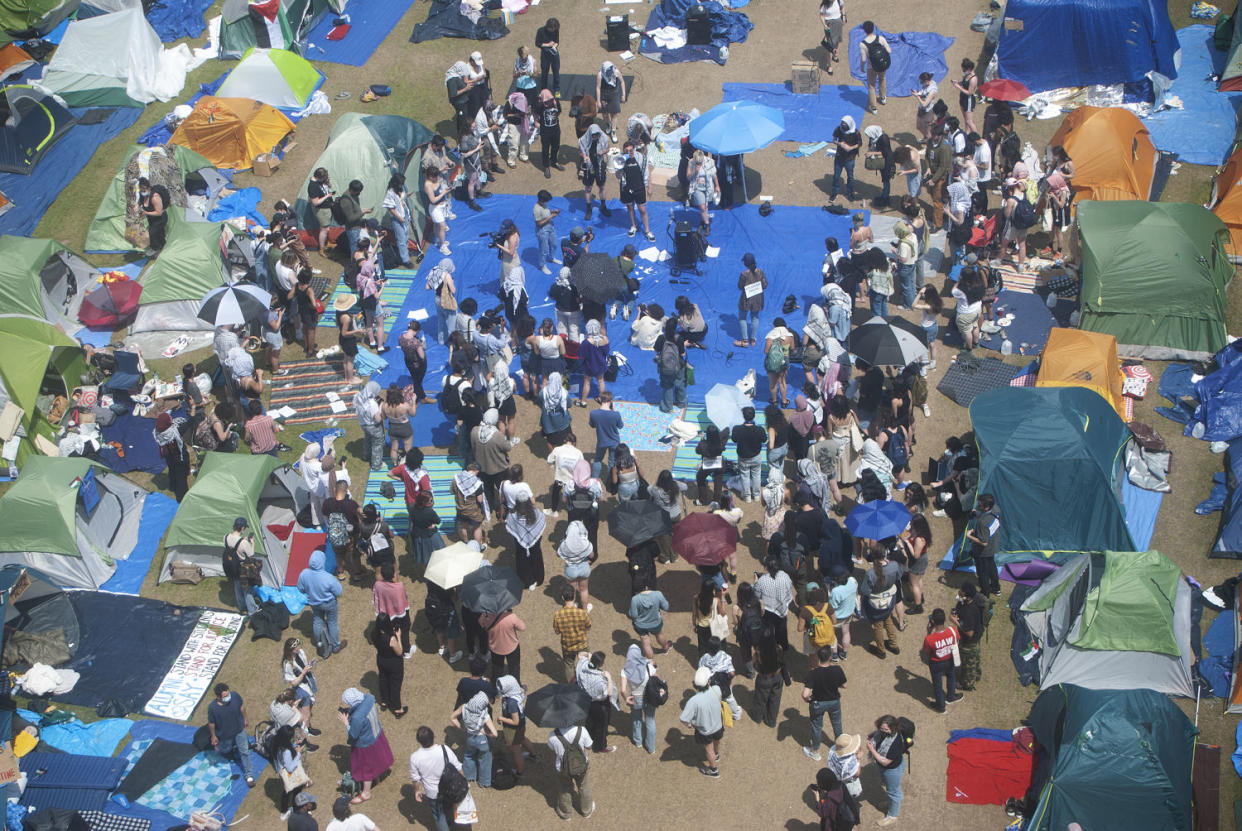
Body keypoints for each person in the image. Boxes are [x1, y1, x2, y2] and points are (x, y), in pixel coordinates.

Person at [340, 688, 393, 804]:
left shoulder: (357, 717)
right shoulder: (369, 698)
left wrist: (346, 723)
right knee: (378, 756)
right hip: (376, 732)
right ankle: (378, 775)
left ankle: (366, 793)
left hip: (365, 743)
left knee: (365, 768)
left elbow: (353, 734)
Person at [409, 726, 463, 831]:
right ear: (433, 736)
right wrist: (464, 783)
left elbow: (415, 779)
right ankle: (452, 824)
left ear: (419, 741)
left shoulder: (415, 757)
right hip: (450, 788)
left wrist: (417, 791)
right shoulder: (444, 749)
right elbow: (458, 768)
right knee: (451, 808)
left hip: (433, 793)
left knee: (439, 816)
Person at [297, 550, 346, 658]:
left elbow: (300, 589)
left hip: (314, 602)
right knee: (332, 623)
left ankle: (321, 644)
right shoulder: (328, 577)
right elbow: (338, 591)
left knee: (317, 621)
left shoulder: (304, 574)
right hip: (329, 603)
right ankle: (335, 646)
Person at [802, 645, 847, 761]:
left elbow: (805, 694)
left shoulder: (812, 674)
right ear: (830, 657)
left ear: (818, 657)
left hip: (818, 703)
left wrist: (807, 700)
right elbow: (844, 685)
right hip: (834, 702)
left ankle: (815, 751)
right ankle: (840, 748)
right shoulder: (837, 669)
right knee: (837, 724)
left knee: (817, 727)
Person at [207, 683, 255, 786]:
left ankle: (249, 775)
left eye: (228, 694)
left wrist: (245, 719)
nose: (228, 697)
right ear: (218, 697)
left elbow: (241, 707)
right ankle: (230, 750)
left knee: (244, 752)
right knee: (225, 751)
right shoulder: (212, 708)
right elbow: (211, 723)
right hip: (224, 735)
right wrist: (213, 736)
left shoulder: (235, 696)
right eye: (225, 696)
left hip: (239, 730)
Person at [680, 666, 724, 777]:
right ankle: (716, 754)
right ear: (709, 681)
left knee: (709, 750)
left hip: (705, 731)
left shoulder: (693, 701)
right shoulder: (717, 689)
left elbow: (683, 719)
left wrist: (690, 725)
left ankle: (713, 770)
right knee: (716, 742)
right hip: (718, 725)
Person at [451, 690, 498, 790]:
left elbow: (452, 718)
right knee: (485, 760)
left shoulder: (464, 707)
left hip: (470, 738)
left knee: (469, 755)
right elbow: (495, 734)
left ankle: (469, 776)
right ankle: (484, 782)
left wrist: (462, 728)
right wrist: (488, 734)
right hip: (482, 740)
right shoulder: (484, 715)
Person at [859, 549, 901, 658]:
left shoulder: (871, 574)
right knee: (888, 619)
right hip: (889, 600)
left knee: (878, 625)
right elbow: (898, 577)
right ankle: (893, 645)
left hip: (875, 603)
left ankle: (881, 650)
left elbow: (864, 591)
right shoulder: (894, 565)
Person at [867, 716, 908, 826]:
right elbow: (879, 733)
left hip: (892, 770)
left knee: (894, 793)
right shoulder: (883, 733)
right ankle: (890, 803)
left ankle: (892, 815)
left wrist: (872, 750)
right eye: (881, 728)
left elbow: (885, 762)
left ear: (893, 728)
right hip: (885, 768)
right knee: (890, 788)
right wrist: (873, 735)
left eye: (886, 729)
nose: (883, 731)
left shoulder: (896, 742)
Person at [548, 721, 594, 820]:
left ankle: (566, 813)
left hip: (562, 768)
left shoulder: (552, 736)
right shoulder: (582, 730)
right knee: (583, 787)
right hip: (582, 766)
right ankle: (587, 811)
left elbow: (552, 749)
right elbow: (589, 746)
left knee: (564, 789)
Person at [619, 643, 659, 754]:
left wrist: (626, 698)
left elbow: (622, 690)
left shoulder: (625, 671)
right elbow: (657, 677)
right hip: (649, 697)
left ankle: (638, 742)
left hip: (635, 698)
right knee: (650, 721)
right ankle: (651, 748)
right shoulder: (648, 667)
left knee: (637, 719)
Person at [496, 674, 538, 777]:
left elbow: (515, 722)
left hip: (513, 728)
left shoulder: (512, 703)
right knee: (522, 738)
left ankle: (520, 772)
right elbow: (524, 689)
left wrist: (502, 718)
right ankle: (534, 755)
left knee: (516, 749)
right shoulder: (517, 692)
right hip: (521, 726)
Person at [504, 488, 546, 591]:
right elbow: (541, 524)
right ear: (528, 501)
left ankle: (526, 581)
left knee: (521, 560)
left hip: (520, 544)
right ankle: (538, 578)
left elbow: (510, 529)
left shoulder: (513, 516)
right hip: (535, 543)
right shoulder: (536, 513)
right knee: (537, 557)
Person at [921, 607, 961, 713]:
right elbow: (957, 640)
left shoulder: (929, 639)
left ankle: (941, 706)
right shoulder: (953, 631)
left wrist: (928, 632)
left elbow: (926, 651)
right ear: (944, 620)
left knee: (937, 684)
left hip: (936, 663)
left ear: (932, 621)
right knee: (951, 676)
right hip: (950, 660)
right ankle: (951, 696)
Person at [576, 651, 616, 753]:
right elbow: (610, 693)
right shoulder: (600, 679)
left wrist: (588, 654)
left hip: (586, 701)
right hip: (599, 705)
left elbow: (580, 654)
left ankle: (588, 739)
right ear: (600, 664)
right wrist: (609, 678)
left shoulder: (583, 666)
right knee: (602, 726)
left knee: (589, 721)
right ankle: (600, 746)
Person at [551, 586, 592, 681]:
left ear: (562, 598)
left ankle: (572, 686)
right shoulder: (582, 613)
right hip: (582, 644)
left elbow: (557, 631)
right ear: (574, 597)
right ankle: (588, 681)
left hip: (567, 646)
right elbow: (588, 626)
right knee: (586, 663)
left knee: (569, 666)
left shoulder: (558, 615)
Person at [617, 139, 654, 240]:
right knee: (630, 208)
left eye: (630, 150)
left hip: (639, 187)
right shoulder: (621, 160)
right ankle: (633, 226)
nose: (629, 152)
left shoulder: (641, 158)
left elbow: (647, 173)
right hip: (627, 188)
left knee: (642, 209)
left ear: (634, 149)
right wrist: (619, 170)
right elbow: (618, 176)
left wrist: (649, 187)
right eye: (626, 151)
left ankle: (647, 230)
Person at [754, 556, 794, 651]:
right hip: (782, 608)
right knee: (782, 629)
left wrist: (755, 582)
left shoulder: (762, 580)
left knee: (768, 629)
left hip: (768, 609)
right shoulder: (785, 576)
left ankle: (769, 646)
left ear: (766, 567)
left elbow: (757, 594)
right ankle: (783, 646)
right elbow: (789, 587)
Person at [952, 581, 986, 691]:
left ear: (967, 597)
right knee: (974, 659)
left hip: (969, 641)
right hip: (975, 637)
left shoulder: (970, 611)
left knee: (968, 664)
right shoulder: (968, 603)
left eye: (961, 593)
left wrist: (956, 622)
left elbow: (969, 633)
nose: (959, 593)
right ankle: (976, 675)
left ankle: (967, 684)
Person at [966, 493, 1001, 595]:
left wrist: (969, 536)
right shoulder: (996, 509)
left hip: (983, 552)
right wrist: (978, 514)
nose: (978, 506)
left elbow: (984, 542)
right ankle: (996, 588)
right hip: (993, 545)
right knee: (992, 566)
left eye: (980, 505)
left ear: (986, 507)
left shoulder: (982, 523)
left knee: (983, 573)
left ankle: (985, 593)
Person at [282, 638, 320, 734]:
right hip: (301, 689)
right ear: (290, 650)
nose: (299, 648)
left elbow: (304, 665)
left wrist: (309, 664)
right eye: (296, 647)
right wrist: (303, 673)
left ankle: (308, 727)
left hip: (308, 682)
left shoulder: (300, 653)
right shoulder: (287, 664)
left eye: (299, 645)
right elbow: (293, 683)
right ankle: (305, 735)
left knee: (310, 706)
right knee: (305, 715)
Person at [557, 520, 596, 613]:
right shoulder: (585, 543)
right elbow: (592, 556)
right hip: (584, 569)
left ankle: (571, 610)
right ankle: (585, 610)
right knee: (584, 590)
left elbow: (558, 554)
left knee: (572, 591)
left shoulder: (564, 545)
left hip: (571, 570)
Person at [479, 606, 525, 681]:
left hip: (495, 648)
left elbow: (481, 623)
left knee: (497, 669)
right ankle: (516, 685)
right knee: (514, 668)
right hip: (512, 647)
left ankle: (496, 685)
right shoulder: (510, 616)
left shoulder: (485, 615)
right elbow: (522, 627)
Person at [223, 517, 259, 614]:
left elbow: (233, 545)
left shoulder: (226, 537)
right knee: (247, 590)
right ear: (242, 528)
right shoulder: (243, 543)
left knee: (237, 586)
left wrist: (243, 540)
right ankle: (252, 610)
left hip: (232, 567)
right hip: (242, 568)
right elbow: (251, 555)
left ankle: (242, 607)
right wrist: (252, 543)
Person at [629, 579, 672, 658]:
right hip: (655, 622)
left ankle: (650, 662)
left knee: (645, 641)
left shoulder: (635, 599)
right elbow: (666, 607)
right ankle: (665, 648)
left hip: (640, 625)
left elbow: (633, 615)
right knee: (659, 634)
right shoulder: (658, 594)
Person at [732, 406, 766, 503]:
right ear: (754, 416)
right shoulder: (759, 429)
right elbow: (764, 439)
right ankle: (756, 495)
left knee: (745, 476)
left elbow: (734, 439)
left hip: (743, 457)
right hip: (756, 456)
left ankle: (747, 496)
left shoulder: (737, 429)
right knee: (756, 475)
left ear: (744, 416)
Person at [154, 412, 190, 502]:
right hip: (178, 457)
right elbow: (189, 423)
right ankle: (182, 498)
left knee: (172, 471)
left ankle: (172, 486)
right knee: (181, 478)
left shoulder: (157, 432)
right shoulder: (174, 432)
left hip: (168, 456)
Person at [579, 124, 612, 220]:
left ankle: (603, 205)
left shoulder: (604, 138)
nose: (596, 137)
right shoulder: (583, 140)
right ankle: (589, 208)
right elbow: (580, 151)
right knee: (588, 187)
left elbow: (608, 148)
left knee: (601, 186)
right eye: (594, 135)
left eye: (597, 135)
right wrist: (584, 156)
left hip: (599, 164)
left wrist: (603, 152)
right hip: (589, 164)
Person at [734, 252, 767, 348]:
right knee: (755, 318)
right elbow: (765, 285)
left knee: (742, 318)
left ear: (745, 264)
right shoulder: (760, 272)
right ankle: (753, 340)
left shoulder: (744, 274)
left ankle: (745, 340)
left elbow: (740, 287)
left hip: (746, 299)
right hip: (757, 299)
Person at [859, 21, 890, 114]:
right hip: (882, 65)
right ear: (873, 28)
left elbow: (863, 59)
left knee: (871, 86)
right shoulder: (880, 38)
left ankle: (873, 107)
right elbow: (889, 50)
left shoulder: (863, 44)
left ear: (864, 31)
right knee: (882, 78)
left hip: (871, 67)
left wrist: (861, 68)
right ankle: (883, 97)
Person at [764, 317, 796, 406]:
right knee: (782, 382)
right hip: (784, 360)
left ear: (774, 325)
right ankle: (784, 402)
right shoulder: (789, 336)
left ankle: (774, 401)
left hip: (772, 361)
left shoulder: (770, 336)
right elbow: (792, 348)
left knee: (772, 383)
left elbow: (766, 351)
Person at [382, 174, 412, 268]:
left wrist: (406, 196)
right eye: (401, 183)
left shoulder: (400, 188)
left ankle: (404, 254)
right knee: (401, 239)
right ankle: (405, 260)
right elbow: (390, 208)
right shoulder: (390, 192)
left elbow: (401, 199)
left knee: (406, 235)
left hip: (404, 214)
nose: (402, 185)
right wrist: (399, 218)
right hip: (397, 218)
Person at [830, 116, 861, 203]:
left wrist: (850, 148)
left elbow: (859, 144)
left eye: (845, 124)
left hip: (850, 158)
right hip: (839, 157)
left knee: (850, 177)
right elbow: (834, 140)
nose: (843, 126)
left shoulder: (856, 132)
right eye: (842, 124)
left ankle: (850, 193)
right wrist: (840, 144)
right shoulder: (838, 129)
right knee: (836, 176)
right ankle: (834, 193)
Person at [687, 149, 718, 234]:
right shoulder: (691, 162)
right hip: (697, 188)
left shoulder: (710, 162)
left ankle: (702, 222)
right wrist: (695, 171)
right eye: (697, 162)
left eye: (700, 162)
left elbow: (714, 175)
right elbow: (688, 177)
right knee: (702, 207)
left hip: (708, 187)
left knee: (705, 207)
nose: (699, 164)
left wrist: (717, 186)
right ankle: (707, 225)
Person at [864, 124, 894, 208]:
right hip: (881, 161)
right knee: (884, 179)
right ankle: (884, 194)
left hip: (887, 162)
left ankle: (886, 197)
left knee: (886, 179)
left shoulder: (884, 138)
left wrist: (872, 153)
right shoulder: (873, 137)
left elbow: (885, 152)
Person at [595, 61, 626, 141]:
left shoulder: (616, 72)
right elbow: (598, 88)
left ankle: (613, 131)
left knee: (614, 114)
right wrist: (598, 101)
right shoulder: (600, 75)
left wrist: (623, 94)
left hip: (614, 95)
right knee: (605, 114)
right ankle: (608, 124)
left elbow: (622, 82)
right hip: (604, 96)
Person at [137, 176, 169, 251]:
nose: (142, 192)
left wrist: (146, 213)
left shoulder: (155, 198)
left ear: (148, 188)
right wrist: (136, 208)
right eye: (141, 190)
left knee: (151, 234)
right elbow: (139, 202)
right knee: (159, 235)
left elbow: (159, 213)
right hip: (152, 219)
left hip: (160, 219)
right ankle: (162, 247)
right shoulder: (143, 195)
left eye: (143, 190)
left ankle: (156, 249)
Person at [536, 90, 563, 178]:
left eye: (550, 100)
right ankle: (546, 166)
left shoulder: (556, 103)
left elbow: (559, 112)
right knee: (545, 149)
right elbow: (535, 113)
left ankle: (554, 161)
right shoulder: (540, 106)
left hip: (555, 129)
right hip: (545, 131)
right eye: (547, 101)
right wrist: (537, 122)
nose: (549, 102)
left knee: (556, 146)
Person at [535, 17, 561, 96]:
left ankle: (557, 90)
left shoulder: (556, 30)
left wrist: (554, 47)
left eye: (554, 29)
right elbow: (537, 43)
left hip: (554, 54)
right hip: (545, 54)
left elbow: (557, 41)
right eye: (552, 29)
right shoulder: (540, 31)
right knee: (544, 73)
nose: (553, 30)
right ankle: (543, 89)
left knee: (556, 72)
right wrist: (548, 45)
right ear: (548, 27)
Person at [953, 57, 979, 134]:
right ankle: (967, 134)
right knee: (966, 120)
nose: (963, 71)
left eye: (963, 69)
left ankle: (976, 137)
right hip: (963, 99)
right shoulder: (966, 75)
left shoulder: (973, 79)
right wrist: (958, 83)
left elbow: (969, 92)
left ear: (968, 68)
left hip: (968, 100)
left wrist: (958, 87)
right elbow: (964, 83)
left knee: (969, 121)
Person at [818, 0, 844, 72]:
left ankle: (834, 55)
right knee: (829, 47)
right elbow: (821, 15)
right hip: (829, 26)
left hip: (838, 24)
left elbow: (842, 7)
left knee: (837, 41)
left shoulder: (839, 1)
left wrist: (843, 16)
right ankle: (829, 66)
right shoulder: (825, 5)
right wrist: (825, 25)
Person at [913, 71, 939, 141]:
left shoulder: (932, 90)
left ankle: (929, 144)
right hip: (921, 109)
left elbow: (925, 104)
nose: (921, 84)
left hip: (928, 112)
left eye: (922, 82)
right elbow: (923, 92)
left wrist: (917, 96)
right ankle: (926, 138)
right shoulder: (926, 84)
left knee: (928, 132)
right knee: (918, 126)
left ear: (927, 81)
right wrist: (918, 93)